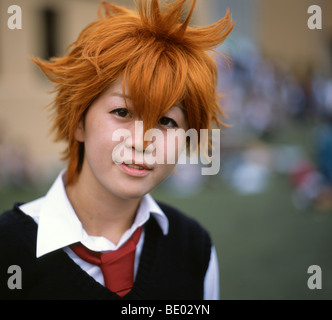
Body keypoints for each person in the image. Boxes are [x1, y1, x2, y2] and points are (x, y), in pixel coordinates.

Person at [0, 0, 233, 299]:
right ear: (79, 121)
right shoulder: (7, 249)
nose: (142, 140)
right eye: (123, 112)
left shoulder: (194, 248)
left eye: (166, 120)